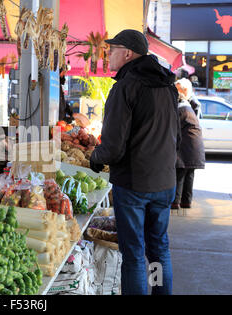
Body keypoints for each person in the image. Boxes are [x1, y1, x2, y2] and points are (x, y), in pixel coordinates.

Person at [89, 29, 180, 295]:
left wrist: (96, 158)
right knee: (159, 248)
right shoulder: (168, 86)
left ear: (127, 53)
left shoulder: (126, 86)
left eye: (112, 49)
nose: (108, 55)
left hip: (134, 185)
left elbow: (113, 147)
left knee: (134, 253)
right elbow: (177, 137)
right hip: (165, 182)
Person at [173, 78, 205, 209]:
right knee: (189, 172)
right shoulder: (187, 106)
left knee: (180, 171)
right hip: (194, 146)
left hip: (187, 145)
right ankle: (186, 201)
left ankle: (175, 202)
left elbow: (174, 127)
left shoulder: (183, 108)